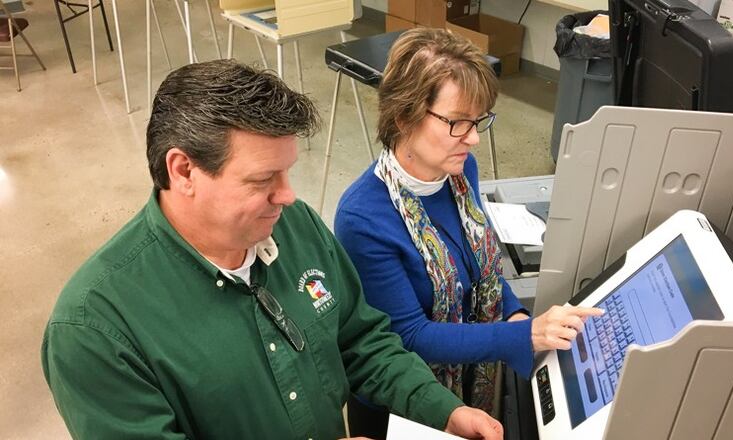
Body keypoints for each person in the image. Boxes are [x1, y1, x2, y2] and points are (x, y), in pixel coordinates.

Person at [41, 60, 503, 440]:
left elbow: (361, 341)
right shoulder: (94, 329)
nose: (287, 196)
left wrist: (444, 411)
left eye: (287, 173)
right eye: (263, 180)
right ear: (183, 171)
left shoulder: (294, 226)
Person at [334, 28, 604, 417]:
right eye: (458, 122)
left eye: (478, 121)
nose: (473, 139)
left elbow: (484, 273)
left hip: (469, 380)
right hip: (408, 406)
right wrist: (524, 334)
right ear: (403, 116)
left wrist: (516, 315)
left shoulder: (461, 172)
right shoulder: (363, 218)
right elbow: (411, 337)